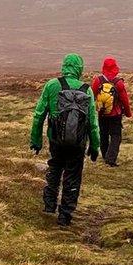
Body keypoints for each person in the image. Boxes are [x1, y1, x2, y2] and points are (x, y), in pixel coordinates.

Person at [30, 53, 100, 226]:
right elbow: (92, 123)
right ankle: (65, 215)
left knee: (55, 167)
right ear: (79, 68)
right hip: (78, 142)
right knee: (73, 175)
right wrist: (95, 146)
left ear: (64, 66)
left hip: (56, 140)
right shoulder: (87, 89)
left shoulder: (52, 85)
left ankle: (49, 205)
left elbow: (38, 115)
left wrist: (36, 140)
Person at [91, 56, 132, 167]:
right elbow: (124, 100)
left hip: (102, 113)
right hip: (115, 114)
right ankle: (111, 159)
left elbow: (91, 96)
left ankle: (105, 156)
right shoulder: (118, 83)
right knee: (115, 136)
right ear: (115, 68)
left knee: (103, 135)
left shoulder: (98, 81)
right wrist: (128, 113)